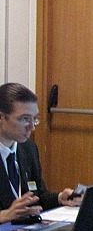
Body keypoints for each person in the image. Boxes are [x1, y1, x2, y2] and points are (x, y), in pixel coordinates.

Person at [0, 82, 80, 223]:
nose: (32, 127)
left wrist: (60, 198)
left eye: (34, 119)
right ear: (1, 117)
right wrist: (4, 215)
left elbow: (38, 196)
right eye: (24, 119)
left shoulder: (28, 148)